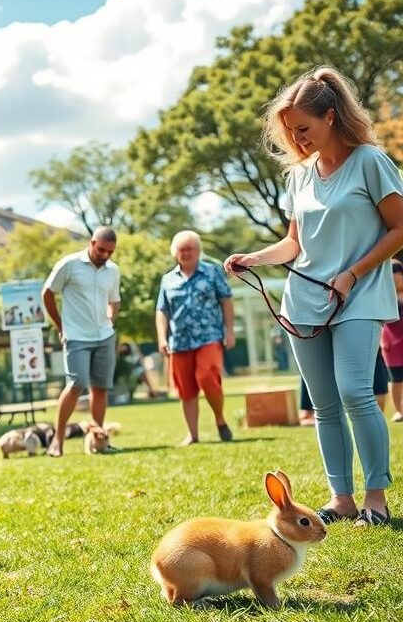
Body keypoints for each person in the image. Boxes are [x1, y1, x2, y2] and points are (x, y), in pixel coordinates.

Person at [224, 66, 403, 527]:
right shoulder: (299, 176)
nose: (296, 139)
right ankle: (341, 499)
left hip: (358, 295)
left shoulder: (370, 161)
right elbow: (294, 243)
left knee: (356, 392)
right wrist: (255, 258)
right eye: (290, 131)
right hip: (304, 300)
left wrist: (353, 273)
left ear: (330, 116)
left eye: (302, 128)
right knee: (323, 404)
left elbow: (399, 228)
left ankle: (376, 498)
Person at [41, 226, 121, 457]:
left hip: (104, 336)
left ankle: (98, 441)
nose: (105, 255)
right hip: (76, 336)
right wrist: (61, 326)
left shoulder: (113, 270)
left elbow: (114, 300)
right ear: (92, 243)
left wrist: (110, 320)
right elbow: (48, 293)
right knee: (77, 384)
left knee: (100, 387)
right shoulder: (69, 264)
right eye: (101, 250)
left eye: (110, 252)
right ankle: (57, 440)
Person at [156, 230, 235, 446]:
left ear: (199, 251)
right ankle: (193, 434)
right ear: (175, 253)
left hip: (209, 336)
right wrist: (162, 338)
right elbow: (162, 310)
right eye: (182, 249)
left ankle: (220, 418)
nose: (186, 253)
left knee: (207, 376)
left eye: (190, 249)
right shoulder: (167, 280)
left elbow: (226, 300)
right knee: (186, 389)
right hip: (179, 341)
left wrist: (229, 331)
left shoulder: (212, 272)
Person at [381, 259, 403, 422]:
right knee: (396, 378)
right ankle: (399, 411)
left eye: (398, 273)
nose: (396, 277)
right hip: (391, 342)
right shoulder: (384, 296)